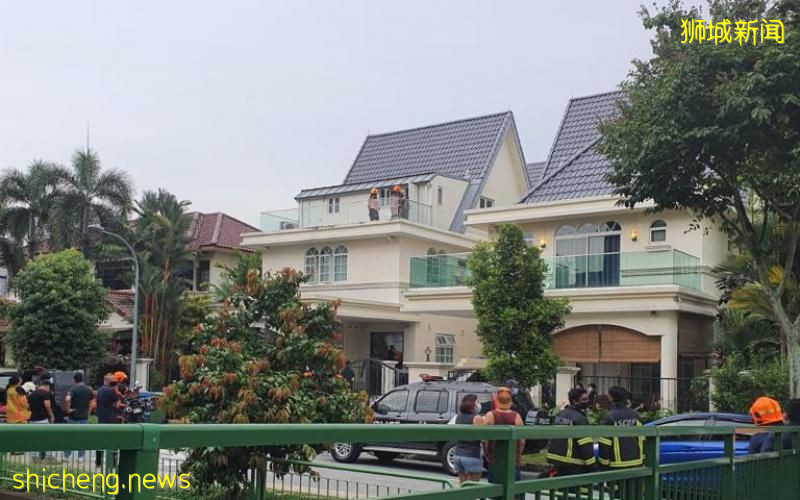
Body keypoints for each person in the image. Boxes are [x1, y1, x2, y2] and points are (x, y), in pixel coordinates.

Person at [483, 387, 525, 493]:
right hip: (513, 461)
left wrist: (488, 456)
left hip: (495, 460)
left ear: (496, 399)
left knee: (495, 493)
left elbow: (485, 441)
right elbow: (522, 442)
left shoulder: (490, 415)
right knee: (514, 493)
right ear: (510, 401)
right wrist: (518, 455)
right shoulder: (517, 417)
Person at [546, 388, 595, 476]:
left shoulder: (560, 414)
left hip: (557, 462)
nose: (587, 401)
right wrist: (592, 466)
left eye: (587, 399)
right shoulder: (580, 418)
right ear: (575, 401)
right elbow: (585, 445)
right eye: (584, 399)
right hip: (573, 464)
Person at [598, 386, 644, 469]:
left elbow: (604, 442)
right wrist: (643, 459)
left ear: (611, 398)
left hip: (617, 466)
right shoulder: (635, 415)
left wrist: (603, 465)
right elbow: (642, 438)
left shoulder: (609, 417)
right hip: (637, 463)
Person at [453, 394, 484, 484]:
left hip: (457, 455)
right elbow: (483, 437)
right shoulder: (476, 418)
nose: (479, 404)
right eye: (477, 402)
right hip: (472, 455)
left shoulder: (458, 417)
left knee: (463, 487)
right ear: (473, 404)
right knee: (473, 487)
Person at [64, 372, 94, 459]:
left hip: (73, 416)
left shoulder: (73, 389)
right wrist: (89, 412)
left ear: (74, 380)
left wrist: (68, 409)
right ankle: (81, 456)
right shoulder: (89, 390)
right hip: (84, 416)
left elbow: (67, 399)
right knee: (82, 437)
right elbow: (92, 403)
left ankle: (67, 456)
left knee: (70, 436)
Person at [96, 373, 124, 467]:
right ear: (109, 381)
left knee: (100, 440)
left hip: (101, 418)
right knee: (113, 440)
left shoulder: (99, 390)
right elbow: (117, 405)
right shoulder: (112, 391)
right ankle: (114, 462)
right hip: (111, 418)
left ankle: (98, 461)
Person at [29, 380, 55, 459]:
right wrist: (51, 416)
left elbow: (28, 406)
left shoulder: (32, 394)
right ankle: (47, 456)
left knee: (34, 438)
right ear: (47, 386)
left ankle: (34, 456)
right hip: (42, 419)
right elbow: (47, 406)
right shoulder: (45, 394)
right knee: (45, 438)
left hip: (32, 419)